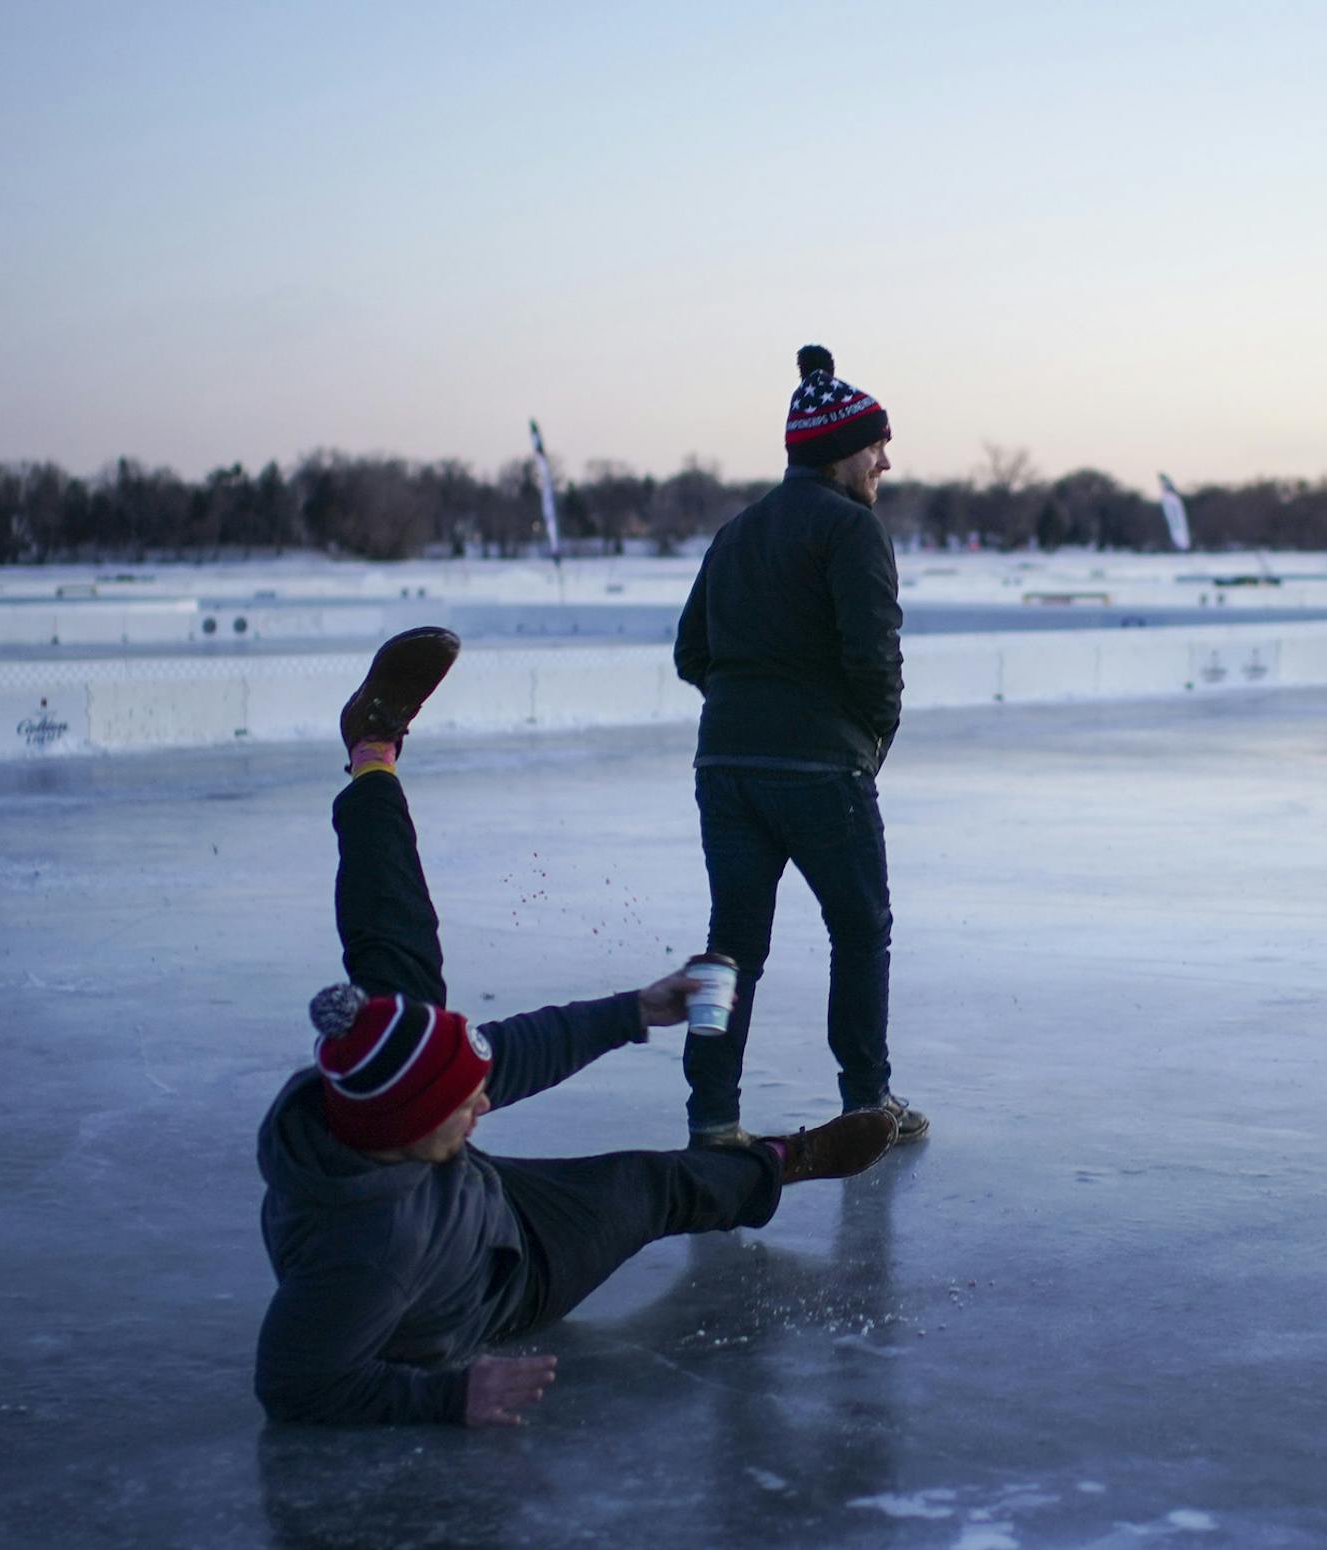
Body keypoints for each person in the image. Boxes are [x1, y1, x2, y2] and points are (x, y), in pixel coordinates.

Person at [255, 628, 897, 1427]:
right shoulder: (369, 1258)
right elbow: (293, 1385)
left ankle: (373, 751)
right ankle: (775, 1161)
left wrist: (636, 1010)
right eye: (465, 1106)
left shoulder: (365, 1082)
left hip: (445, 1183)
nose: (483, 1107)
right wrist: (448, 1396)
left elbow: (510, 1057)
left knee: (396, 949)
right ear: (411, 1131)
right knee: (651, 1186)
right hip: (507, 1272)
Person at [673, 345, 926, 1148]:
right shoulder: (852, 531)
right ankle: (866, 1103)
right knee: (860, 930)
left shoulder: (736, 532)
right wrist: (871, 733)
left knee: (732, 945)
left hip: (727, 770)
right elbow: (873, 656)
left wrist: (747, 710)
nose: (886, 458)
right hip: (820, 771)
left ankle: (712, 1116)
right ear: (837, 452)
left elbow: (690, 653)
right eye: (875, 444)